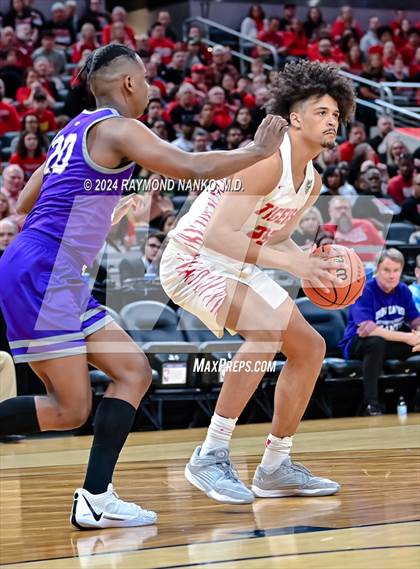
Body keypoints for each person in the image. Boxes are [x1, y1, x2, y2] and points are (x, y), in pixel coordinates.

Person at [0, 43, 286, 528]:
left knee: (134, 371)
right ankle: (94, 497)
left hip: (50, 269)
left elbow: (28, 199)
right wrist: (256, 151)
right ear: (130, 83)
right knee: (70, 409)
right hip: (46, 272)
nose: (152, 88)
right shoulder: (120, 127)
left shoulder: (73, 132)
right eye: (148, 79)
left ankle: (96, 497)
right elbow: (191, 168)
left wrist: (96, 203)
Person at [160, 60, 355, 504]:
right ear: (295, 118)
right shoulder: (266, 161)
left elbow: (277, 237)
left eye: (336, 114)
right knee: (264, 331)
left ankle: (275, 466)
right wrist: (292, 268)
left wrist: (308, 262)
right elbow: (218, 235)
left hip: (233, 262)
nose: (332, 120)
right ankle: (210, 454)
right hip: (193, 258)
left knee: (311, 348)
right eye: (322, 112)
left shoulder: (312, 182)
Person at [340, 249, 420, 416]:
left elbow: (415, 320)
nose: (392, 276)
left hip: (389, 343)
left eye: (396, 271)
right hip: (359, 343)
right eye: (387, 270)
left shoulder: (403, 290)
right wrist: (408, 337)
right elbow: (368, 329)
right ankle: (371, 404)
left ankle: (416, 400)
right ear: (377, 269)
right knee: (376, 342)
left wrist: (418, 335)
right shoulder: (364, 290)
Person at [324, 196, 384, 263]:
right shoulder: (325, 230)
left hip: (369, 266)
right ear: (330, 211)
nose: (343, 211)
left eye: (346, 208)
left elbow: (382, 247)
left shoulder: (366, 225)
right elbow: (322, 258)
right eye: (338, 208)